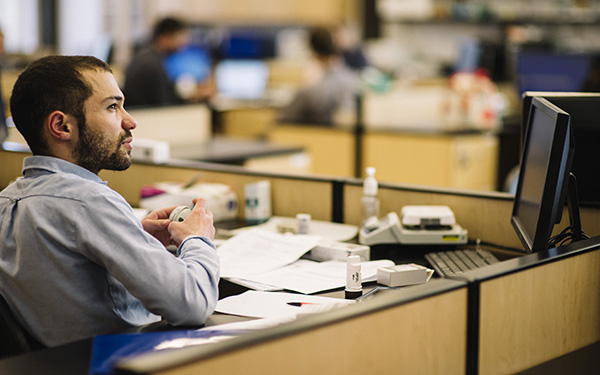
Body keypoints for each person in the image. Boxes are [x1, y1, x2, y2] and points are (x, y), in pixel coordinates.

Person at [0, 55, 220, 348]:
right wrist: (197, 239)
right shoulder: (88, 202)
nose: (130, 121)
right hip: (122, 359)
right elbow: (192, 303)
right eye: (112, 107)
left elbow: (63, 266)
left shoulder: (7, 200)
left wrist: (132, 234)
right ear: (62, 126)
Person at [278, 27, 360, 126]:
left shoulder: (313, 89)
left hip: (317, 133)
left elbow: (286, 117)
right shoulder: (349, 77)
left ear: (314, 51)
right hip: (338, 134)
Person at [123, 17, 190, 107]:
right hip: (151, 117)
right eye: (181, 36)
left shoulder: (148, 56)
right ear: (167, 36)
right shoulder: (152, 65)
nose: (184, 42)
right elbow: (164, 105)